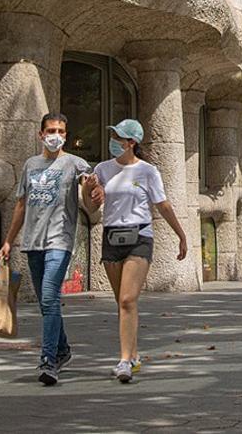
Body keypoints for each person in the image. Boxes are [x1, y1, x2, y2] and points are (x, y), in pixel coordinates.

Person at [83, 118, 189, 382]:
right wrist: (88, 191)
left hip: (139, 235)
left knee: (128, 300)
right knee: (121, 302)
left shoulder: (148, 171)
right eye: (113, 136)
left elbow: (162, 205)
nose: (114, 142)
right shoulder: (103, 169)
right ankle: (133, 354)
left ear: (132, 143)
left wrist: (181, 235)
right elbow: (92, 207)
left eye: (119, 137)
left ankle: (123, 361)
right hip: (112, 235)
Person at [0, 113, 91, 386]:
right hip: (32, 242)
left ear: (66, 134)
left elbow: (89, 191)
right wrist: (7, 240)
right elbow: (21, 205)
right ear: (41, 134)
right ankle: (62, 350)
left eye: (61, 131)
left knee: (50, 298)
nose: (56, 135)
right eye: (51, 130)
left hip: (59, 241)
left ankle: (48, 361)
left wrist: (93, 190)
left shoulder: (75, 163)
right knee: (46, 303)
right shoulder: (31, 164)